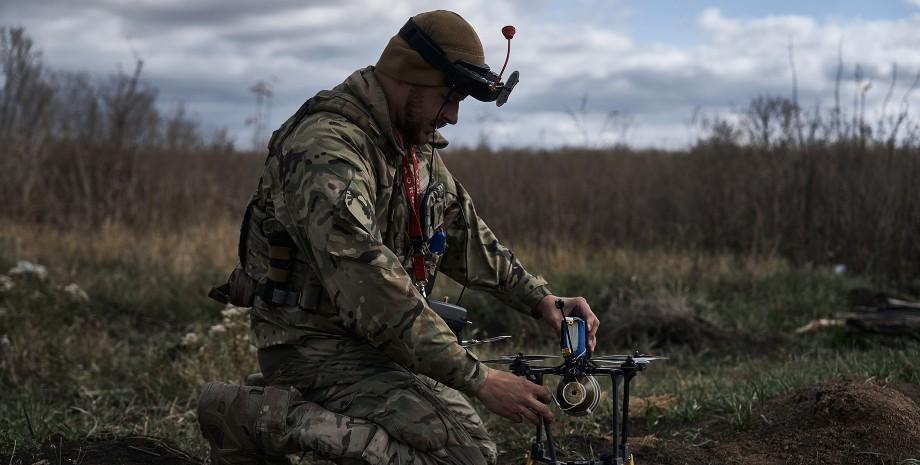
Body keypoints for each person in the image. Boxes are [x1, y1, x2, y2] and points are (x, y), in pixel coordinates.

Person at [197, 9, 600, 465]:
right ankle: (249, 416)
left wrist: (543, 301)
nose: (452, 115)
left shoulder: (411, 145)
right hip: (312, 346)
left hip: (374, 345)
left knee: (467, 443)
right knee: (464, 457)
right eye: (449, 96)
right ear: (411, 77)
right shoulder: (327, 148)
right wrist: (480, 379)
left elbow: (463, 232)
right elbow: (373, 286)